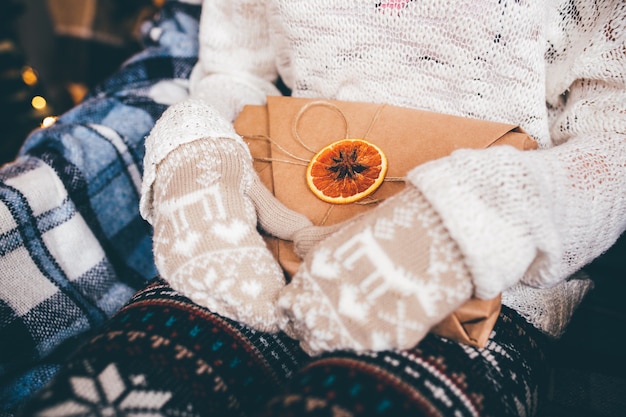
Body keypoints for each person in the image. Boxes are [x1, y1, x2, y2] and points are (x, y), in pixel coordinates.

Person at [12, 0, 626, 415]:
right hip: (266, 243)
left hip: (480, 291)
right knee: (120, 388)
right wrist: (198, 150)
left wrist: (471, 222)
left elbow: (613, 144)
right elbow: (235, 71)